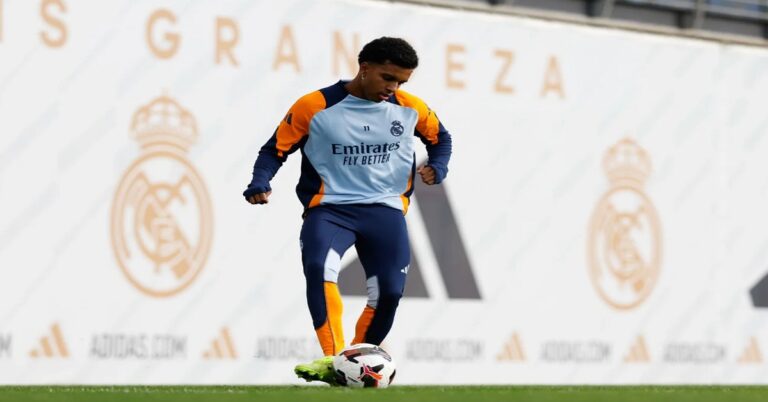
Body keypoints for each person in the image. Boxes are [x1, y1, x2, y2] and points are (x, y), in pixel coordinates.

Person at [243, 37, 452, 385]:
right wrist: (260, 181)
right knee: (318, 268)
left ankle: (354, 364)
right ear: (364, 68)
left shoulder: (410, 107)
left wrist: (439, 167)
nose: (393, 87)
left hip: (385, 211)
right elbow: (274, 150)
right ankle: (332, 358)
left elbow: (441, 139)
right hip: (330, 210)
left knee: (389, 292)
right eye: (387, 77)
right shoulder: (315, 106)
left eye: (401, 81)